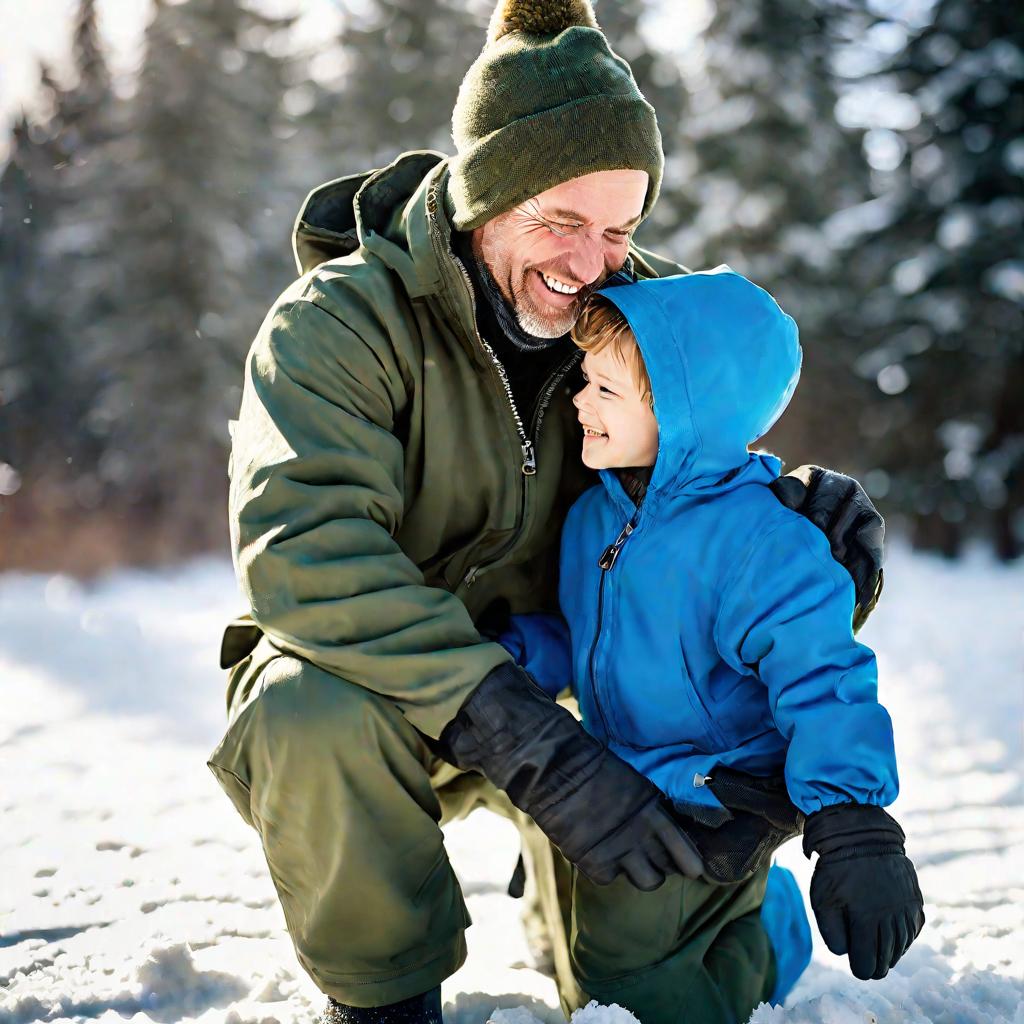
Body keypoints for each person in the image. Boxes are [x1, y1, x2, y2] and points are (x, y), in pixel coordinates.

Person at [207, 2, 888, 1021]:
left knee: (625, 987)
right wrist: (526, 741)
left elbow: (706, 490)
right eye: (560, 222)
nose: (590, 264)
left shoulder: (631, 313)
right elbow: (303, 549)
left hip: (586, 687)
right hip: (402, 693)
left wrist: (814, 542)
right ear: (483, 197)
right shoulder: (340, 326)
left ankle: (723, 923)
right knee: (307, 707)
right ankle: (384, 1001)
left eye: (618, 228)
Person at [499, 267, 925, 1021]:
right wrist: (526, 653)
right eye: (585, 380)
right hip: (630, 778)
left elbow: (823, 677)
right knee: (619, 945)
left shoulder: (759, 539)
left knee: (617, 970)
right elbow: (590, 633)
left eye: (606, 391)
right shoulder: (595, 519)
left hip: (722, 796)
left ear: (685, 411)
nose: (578, 402)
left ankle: (750, 945)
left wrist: (853, 820)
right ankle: (755, 932)